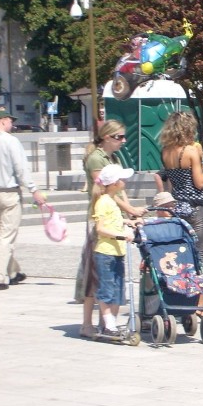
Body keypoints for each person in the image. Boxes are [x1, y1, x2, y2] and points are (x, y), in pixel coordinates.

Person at [77, 120, 146, 338]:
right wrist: (130, 211)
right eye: (118, 137)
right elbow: (108, 193)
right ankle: (88, 324)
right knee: (94, 276)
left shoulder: (112, 158)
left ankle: (106, 323)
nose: (123, 141)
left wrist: (130, 213)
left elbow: (119, 191)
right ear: (106, 137)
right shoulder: (97, 158)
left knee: (108, 278)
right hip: (101, 220)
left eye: (124, 137)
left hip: (113, 220)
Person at [159, 111, 203, 271]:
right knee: (199, 255)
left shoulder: (165, 151)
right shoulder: (190, 151)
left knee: (181, 252)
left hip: (177, 205)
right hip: (196, 205)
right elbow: (199, 183)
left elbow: (172, 181)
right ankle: (199, 292)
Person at [0, 110, 46, 291]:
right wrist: (34, 189)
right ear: (3, 121)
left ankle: (13, 272)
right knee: (6, 237)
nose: (12, 125)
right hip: (8, 193)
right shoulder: (11, 141)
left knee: (2, 236)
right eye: (10, 121)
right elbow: (21, 168)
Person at [92, 164, 137, 336]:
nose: (124, 181)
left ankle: (111, 324)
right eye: (121, 179)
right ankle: (109, 325)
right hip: (106, 252)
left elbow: (114, 222)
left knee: (118, 289)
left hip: (117, 252)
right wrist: (120, 236)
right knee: (107, 289)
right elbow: (101, 229)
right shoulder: (103, 202)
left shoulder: (111, 201)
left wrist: (128, 223)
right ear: (114, 183)